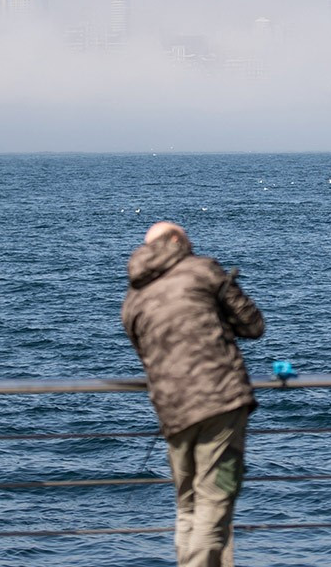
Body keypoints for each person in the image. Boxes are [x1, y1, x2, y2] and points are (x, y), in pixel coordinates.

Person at [121, 222, 265, 567]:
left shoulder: (134, 299)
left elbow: (147, 354)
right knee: (214, 504)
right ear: (175, 240)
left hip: (171, 411)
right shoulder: (202, 270)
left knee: (187, 507)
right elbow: (253, 325)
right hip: (220, 401)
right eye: (187, 239)